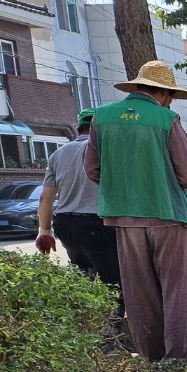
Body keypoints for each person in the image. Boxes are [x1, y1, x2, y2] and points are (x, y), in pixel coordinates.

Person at [84, 60, 187, 362]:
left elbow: (93, 169)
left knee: (140, 292)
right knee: (178, 290)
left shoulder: (101, 118)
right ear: (164, 93)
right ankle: (180, 358)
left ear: (137, 87)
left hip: (125, 218)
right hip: (168, 216)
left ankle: (153, 358)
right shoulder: (165, 119)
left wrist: (126, 186)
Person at [36, 108, 121, 301]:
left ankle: (84, 325)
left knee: (83, 281)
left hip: (66, 226)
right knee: (114, 287)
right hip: (96, 225)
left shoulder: (58, 154)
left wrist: (45, 232)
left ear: (78, 130)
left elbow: (46, 198)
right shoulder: (105, 150)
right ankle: (109, 329)